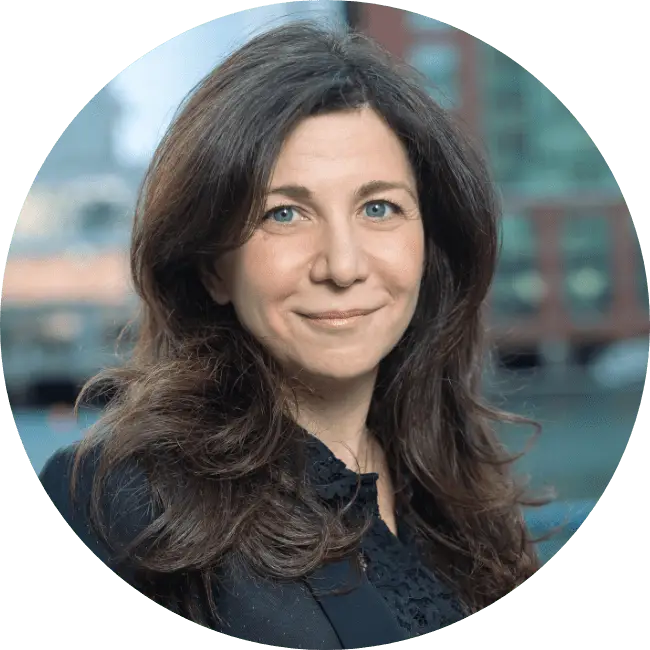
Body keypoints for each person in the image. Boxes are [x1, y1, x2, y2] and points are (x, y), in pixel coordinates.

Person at [39, 20, 546, 650]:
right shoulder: (115, 498)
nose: (342, 265)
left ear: (429, 246)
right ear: (212, 266)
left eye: (379, 208)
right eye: (284, 213)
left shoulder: (464, 495)